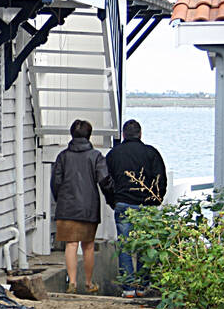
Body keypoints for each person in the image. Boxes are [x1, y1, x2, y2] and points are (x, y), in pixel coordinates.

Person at [105, 119, 168, 298]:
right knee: (144, 246)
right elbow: (160, 178)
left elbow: (106, 181)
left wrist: (113, 201)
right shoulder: (151, 153)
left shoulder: (114, 154)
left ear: (123, 135)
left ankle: (128, 288)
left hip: (123, 203)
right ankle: (142, 285)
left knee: (125, 245)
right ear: (140, 134)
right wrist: (157, 199)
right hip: (147, 205)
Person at [51, 119, 114, 293]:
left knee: (71, 244)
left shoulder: (62, 156)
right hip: (88, 206)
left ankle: (72, 282)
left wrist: (60, 199)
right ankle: (88, 282)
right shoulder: (96, 156)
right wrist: (111, 198)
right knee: (88, 245)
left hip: (66, 206)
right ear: (89, 135)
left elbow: (55, 182)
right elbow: (104, 180)